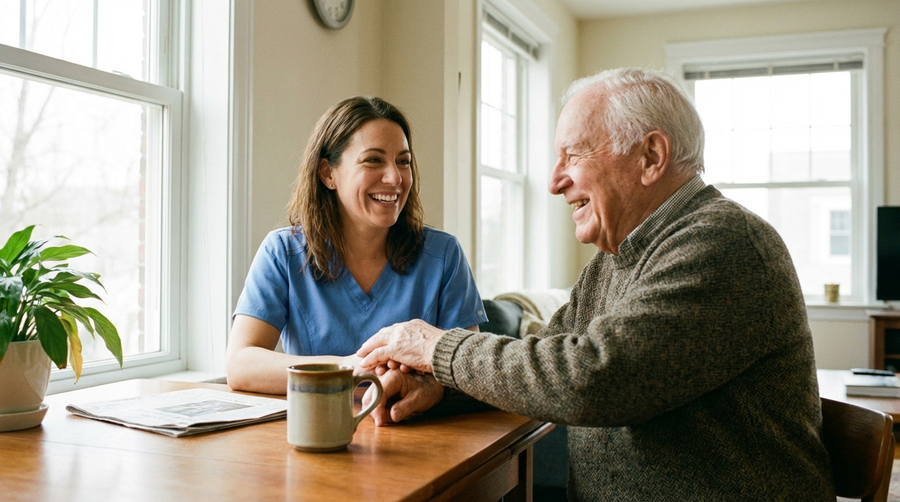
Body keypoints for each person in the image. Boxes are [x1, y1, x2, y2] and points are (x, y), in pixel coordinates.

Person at [356, 68, 836, 500]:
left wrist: (439, 348)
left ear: (651, 156)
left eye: (573, 155)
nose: (554, 181)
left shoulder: (723, 242)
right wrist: (442, 389)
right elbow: (543, 356)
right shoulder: (616, 259)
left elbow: (590, 380)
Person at [226, 96, 486, 396]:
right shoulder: (282, 252)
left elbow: (472, 372)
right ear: (328, 174)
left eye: (403, 161)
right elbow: (240, 365)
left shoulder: (443, 256)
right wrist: (351, 368)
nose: (395, 177)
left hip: (417, 429)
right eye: (373, 160)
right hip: (315, 432)